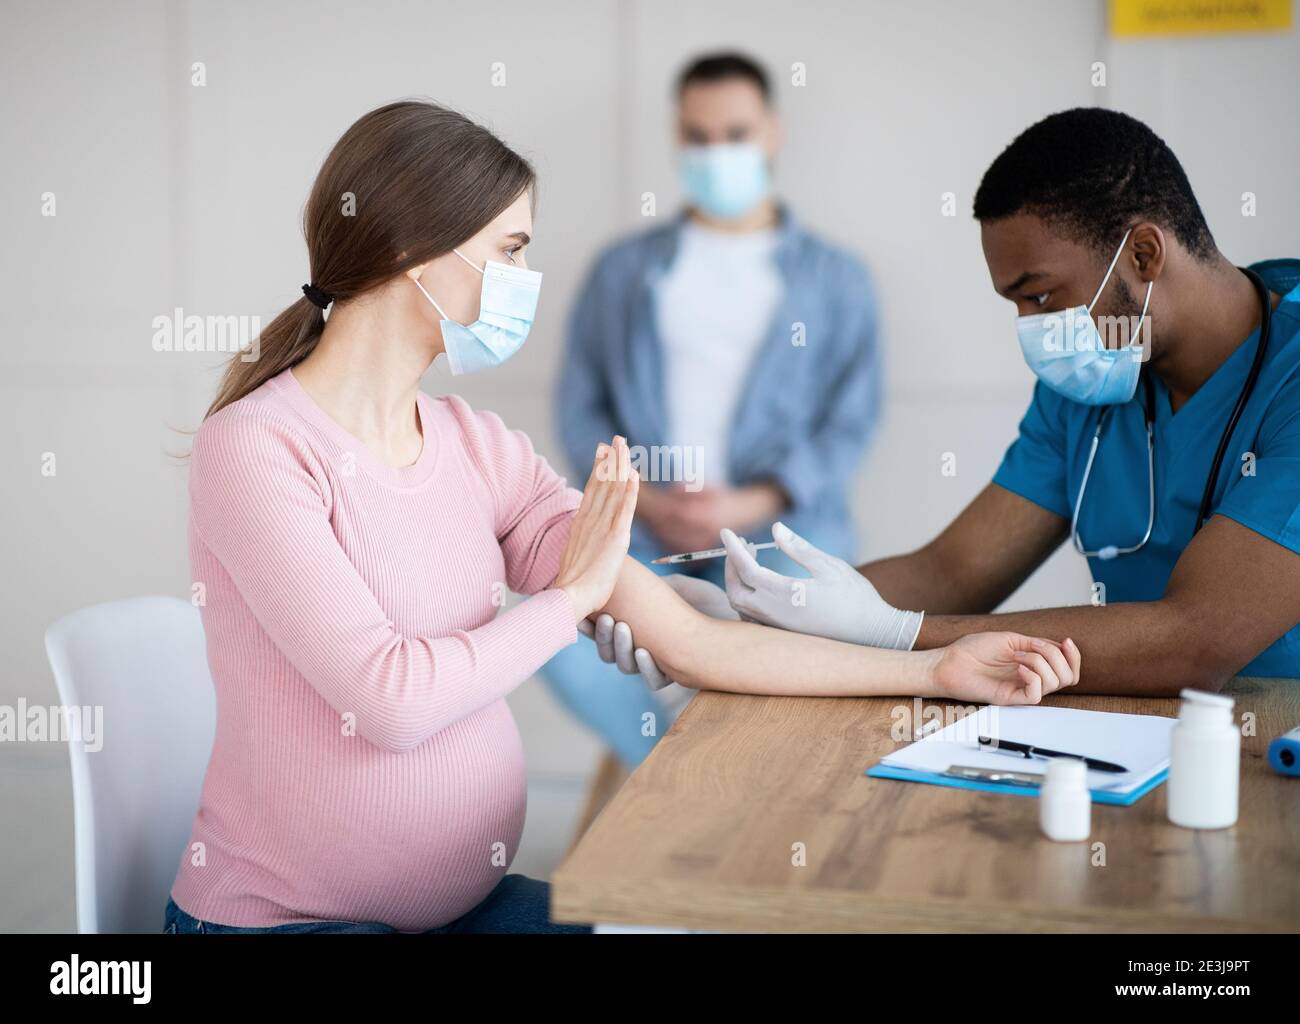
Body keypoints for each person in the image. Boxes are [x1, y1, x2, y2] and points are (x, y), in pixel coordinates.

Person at [165, 101, 1080, 936]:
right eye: (512, 249)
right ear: (416, 251)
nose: (527, 277)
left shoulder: (473, 444)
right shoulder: (254, 450)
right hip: (286, 924)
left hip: (459, 908)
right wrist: (568, 603)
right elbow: (393, 701)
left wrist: (932, 667)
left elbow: (689, 640)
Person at [610, 108, 1300, 696]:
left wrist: (896, 633)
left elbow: (1199, 636)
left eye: (1039, 294)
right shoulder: (1094, 383)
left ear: (1145, 254)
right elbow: (953, 570)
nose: (1033, 327)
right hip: (1137, 724)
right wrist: (742, 623)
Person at [542, 52, 883, 767]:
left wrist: (752, 499)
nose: (714, 152)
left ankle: (714, 779)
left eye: (735, 132)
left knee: (799, 661)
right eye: (697, 136)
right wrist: (650, 503)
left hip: (783, 530)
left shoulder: (835, 279)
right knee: (559, 642)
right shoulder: (623, 271)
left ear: (773, 132)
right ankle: (674, 772)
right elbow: (581, 402)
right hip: (646, 525)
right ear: (676, 136)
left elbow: (850, 419)